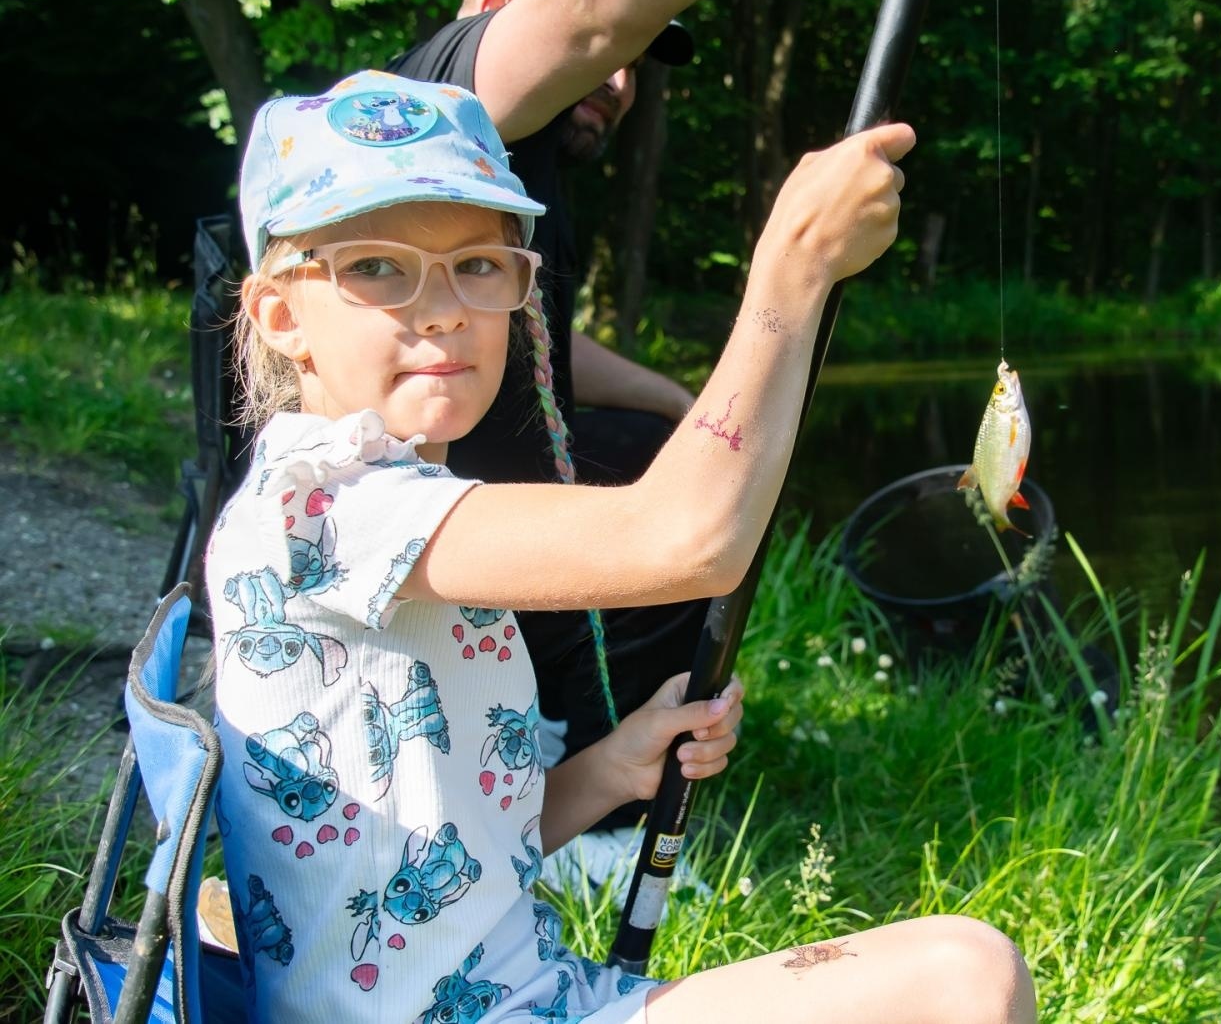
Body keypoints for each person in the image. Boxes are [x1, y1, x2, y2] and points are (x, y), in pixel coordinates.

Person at [212, 70, 1034, 1024]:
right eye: (378, 267)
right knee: (968, 978)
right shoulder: (327, 504)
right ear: (280, 314)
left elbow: (443, 862)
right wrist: (793, 270)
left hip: (537, 996)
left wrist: (610, 767)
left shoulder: (395, 505)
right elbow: (691, 537)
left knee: (963, 970)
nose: (440, 307)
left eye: (479, 264)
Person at [387, 0, 717, 865]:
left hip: (496, 514)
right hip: (428, 555)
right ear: (496, 8)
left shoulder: (525, 164)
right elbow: (593, 12)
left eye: (639, 58)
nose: (620, 79)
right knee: (684, 521)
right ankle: (590, 837)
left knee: (662, 450)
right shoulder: (453, 95)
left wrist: (678, 403)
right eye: (612, 50)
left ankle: (591, 776)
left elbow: (545, 339)